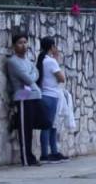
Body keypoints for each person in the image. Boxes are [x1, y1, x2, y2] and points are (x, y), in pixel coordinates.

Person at [6, 33, 44, 167]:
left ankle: (31, 155)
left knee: (31, 129)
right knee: (24, 129)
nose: (24, 45)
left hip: (33, 95)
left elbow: (37, 74)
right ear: (14, 45)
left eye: (25, 42)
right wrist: (32, 76)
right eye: (20, 43)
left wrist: (32, 76)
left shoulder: (28, 61)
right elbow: (28, 79)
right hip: (22, 95)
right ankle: (26, 158)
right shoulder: (13, 61)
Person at [36, 37, 69, 162]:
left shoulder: (42, 60)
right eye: (55, 46)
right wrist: (57, 60)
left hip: (45, 95)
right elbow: (61, 78)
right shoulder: (51, 61)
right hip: (51, 95)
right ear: (52, 47)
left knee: (50, 124)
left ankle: (52, 152)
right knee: (49, 125)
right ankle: (46, 154)